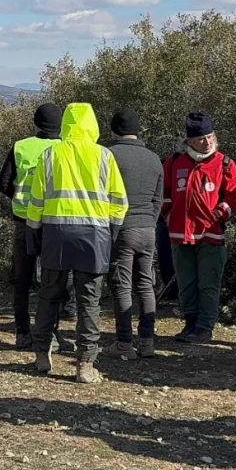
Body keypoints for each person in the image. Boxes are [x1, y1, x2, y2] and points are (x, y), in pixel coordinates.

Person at [27, 103, 127, 383]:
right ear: (92, 124)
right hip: (94, 236)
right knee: (89, 302)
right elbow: (119, 201)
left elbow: (37, 199)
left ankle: (41, 353)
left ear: (65, 125)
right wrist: (112, 233)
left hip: (55, 233)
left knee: (48, 295)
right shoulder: (104, 156)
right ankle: (85, 364)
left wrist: (34, 232)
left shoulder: (50, 153)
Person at [161, 113, 236, 344]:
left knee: (208, 283)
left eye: (210, 137)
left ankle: (205, 328)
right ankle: (190, 324)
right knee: (186, 282)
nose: (207, 142)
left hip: (211, 235)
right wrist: (168, 214)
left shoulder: (224, 163)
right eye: (201, 139)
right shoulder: (174, 162)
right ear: (189, 141)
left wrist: (220, 212)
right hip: (180, 234)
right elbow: (164, 193)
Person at [0, 103, 67, 350]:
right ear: (61, 124)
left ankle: (22, 332)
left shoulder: (21, 147)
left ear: (36, 122)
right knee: (53, 279)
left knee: (22, 280)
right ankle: (51, 333)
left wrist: (20, 199)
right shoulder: (64, 148)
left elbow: (3, 182)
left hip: (24, 221)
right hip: (55, 222)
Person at [102, 109, 163, 361]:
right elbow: (158, 199)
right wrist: (150, 222)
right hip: (148, 228)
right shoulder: (154, 158)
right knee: (145, 285)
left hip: (121, 228)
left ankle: (124, 342)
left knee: (122, 285)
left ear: (114, 129)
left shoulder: (108, 155)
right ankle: (147, 342)